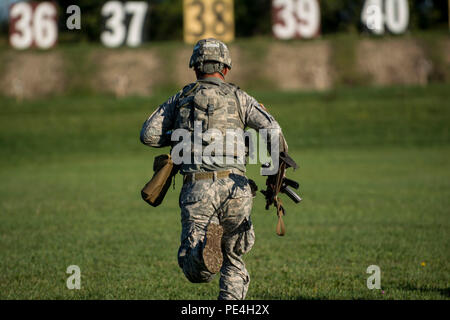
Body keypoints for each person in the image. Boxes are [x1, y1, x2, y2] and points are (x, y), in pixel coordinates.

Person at [140, 38, 288, 300]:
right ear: (226, 69)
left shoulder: (181, 98)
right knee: (233, 259)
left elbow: (149, 135)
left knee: (193, 265)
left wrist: (183, 135)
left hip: (198, 189)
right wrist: (273, 171)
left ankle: (201, 253)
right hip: (237, 188)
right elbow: (273, 130)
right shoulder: (241, 98)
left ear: (195, 68)